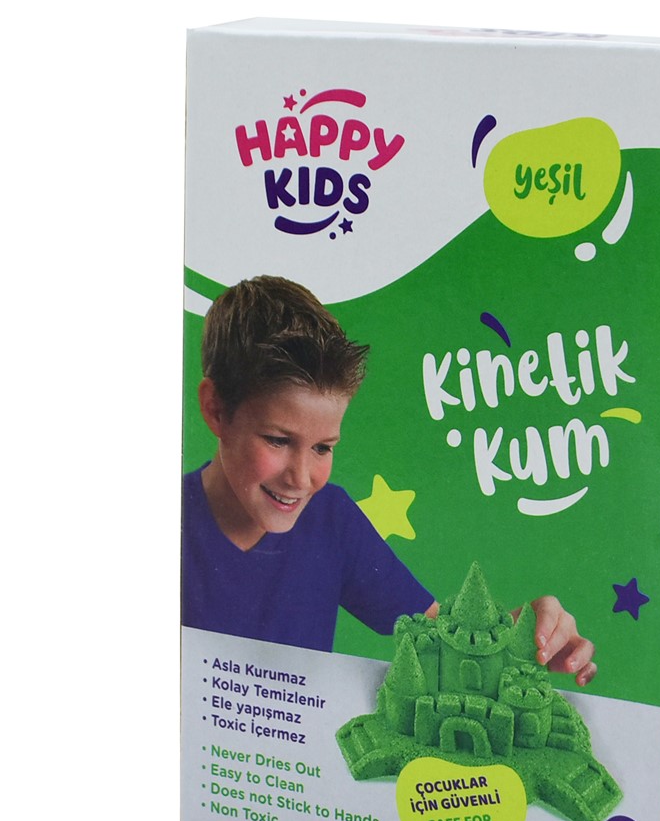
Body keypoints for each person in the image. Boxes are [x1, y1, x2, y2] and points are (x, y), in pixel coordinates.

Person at [183, 275, 597, 685]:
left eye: (323, 448)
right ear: (215, 410)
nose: (301, 478)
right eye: (277, 440)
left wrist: (524, 635)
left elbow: (445, 643)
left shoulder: (332, 519)